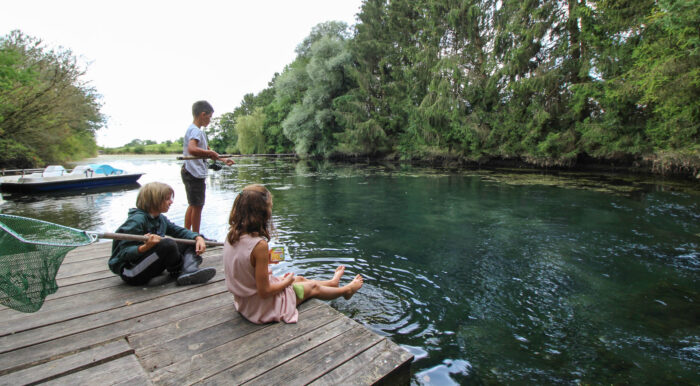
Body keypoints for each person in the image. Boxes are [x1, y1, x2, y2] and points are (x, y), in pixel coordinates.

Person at [223, 184, 363, 324]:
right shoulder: (259, 246)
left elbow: (243, 263)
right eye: (270, 207)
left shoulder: (232, 235)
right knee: (311, 288)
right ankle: (347, 290)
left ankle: (332, 283)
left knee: (300, 279)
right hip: (262, 308)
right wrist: (287, 282)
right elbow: (264, 291)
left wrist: (266, 260)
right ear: (262, 213)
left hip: (245, 303)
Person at [109, 182, 217, 286]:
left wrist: (197, 237)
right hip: (132, 272)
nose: (171, 202)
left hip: (149, 265)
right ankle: (183, 269)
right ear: (154, 200)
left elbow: (178, 231)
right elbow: (123, 253)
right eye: (167, 199)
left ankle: (189, 269)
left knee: (191, 239)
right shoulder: (137, 221)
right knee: (167, 244)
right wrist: (145, 247)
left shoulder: (160, 218)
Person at [181, 100, 235, 233]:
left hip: (189, 171)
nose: (210, 120)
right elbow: (192, 149)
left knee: (193, 205)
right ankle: (196, 236)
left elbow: (207, 151)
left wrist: (223, 159)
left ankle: (186, 234)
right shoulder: (196, 131)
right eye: (209, 117)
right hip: (194, 173)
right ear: (202, 114)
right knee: (198, 206)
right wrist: (209, 152)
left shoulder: (194, 130)